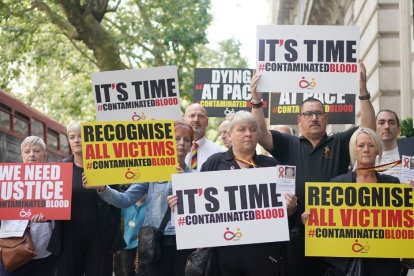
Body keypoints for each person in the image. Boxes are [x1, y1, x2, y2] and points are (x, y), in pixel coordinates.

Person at [250, 61, 376, 275]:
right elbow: (261, 135)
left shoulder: (340, 142)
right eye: (308, 114)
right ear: (299, 119)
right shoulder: (288, 143)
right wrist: (256, 101)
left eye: (318, 113)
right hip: (297, 232)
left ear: (326, 118)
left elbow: (368, 129)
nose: (314, 118)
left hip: (334, 233)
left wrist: (363, 92)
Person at [197, 111, 298, 276]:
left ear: (258, 135)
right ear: (229, 134)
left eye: (253, 129)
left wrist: (292, 207)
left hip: (263, 255)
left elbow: (287, 219)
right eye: (241, 129)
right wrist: (181, 204)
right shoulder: (214, 163)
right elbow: (198, 204)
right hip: (224, 255)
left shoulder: (273, 166)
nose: (248, 134)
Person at [93, 121, 195, 276]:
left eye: (186, 140)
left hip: (186, 241)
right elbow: (125, 199)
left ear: (191, 146)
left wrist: (186, 188)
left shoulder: (196, 176)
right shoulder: (153, 171)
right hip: (158, 241)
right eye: (176, 138)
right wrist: (103, 188)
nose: (181, 143)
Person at [321, 128, 402, 276]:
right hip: (347, 263)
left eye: (371, 145)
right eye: (361, 145)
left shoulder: (392, 184)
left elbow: (401, 221)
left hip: (383, 262)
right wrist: (312, 219)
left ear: (377, 149)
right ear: (354, 150)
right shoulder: (338, 184)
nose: (366, 150)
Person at [47, 121, 124, 276]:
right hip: (68, 234)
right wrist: (43, 215)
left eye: (81, 136)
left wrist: (113, 235)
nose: (76, 140)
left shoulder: (106, 167)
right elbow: (51, 201)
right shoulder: (60, 168)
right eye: (72, 137)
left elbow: (117, 202)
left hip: (100, 234)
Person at [0, 136, 56, 276]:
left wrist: (49, 216)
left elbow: (61, 210)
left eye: (36, 151)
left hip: (44, 251)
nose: (32, 154)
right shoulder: (7, 178)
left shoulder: (55, 178)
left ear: (45, 155)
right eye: (27, 151)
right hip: (12, 249)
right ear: (22, 155)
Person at [183, 103, 223, 170]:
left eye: (201, 116)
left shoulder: (219, 152)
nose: (196, 120)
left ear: (207, 122)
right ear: (184, 120)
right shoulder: (173, 151)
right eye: (192, 115)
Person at [121, 195, 146, 276]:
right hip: (128, 243)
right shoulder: (126, 205)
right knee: (128, 269)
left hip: (143, 244)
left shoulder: (149, 205)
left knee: (142, 270)